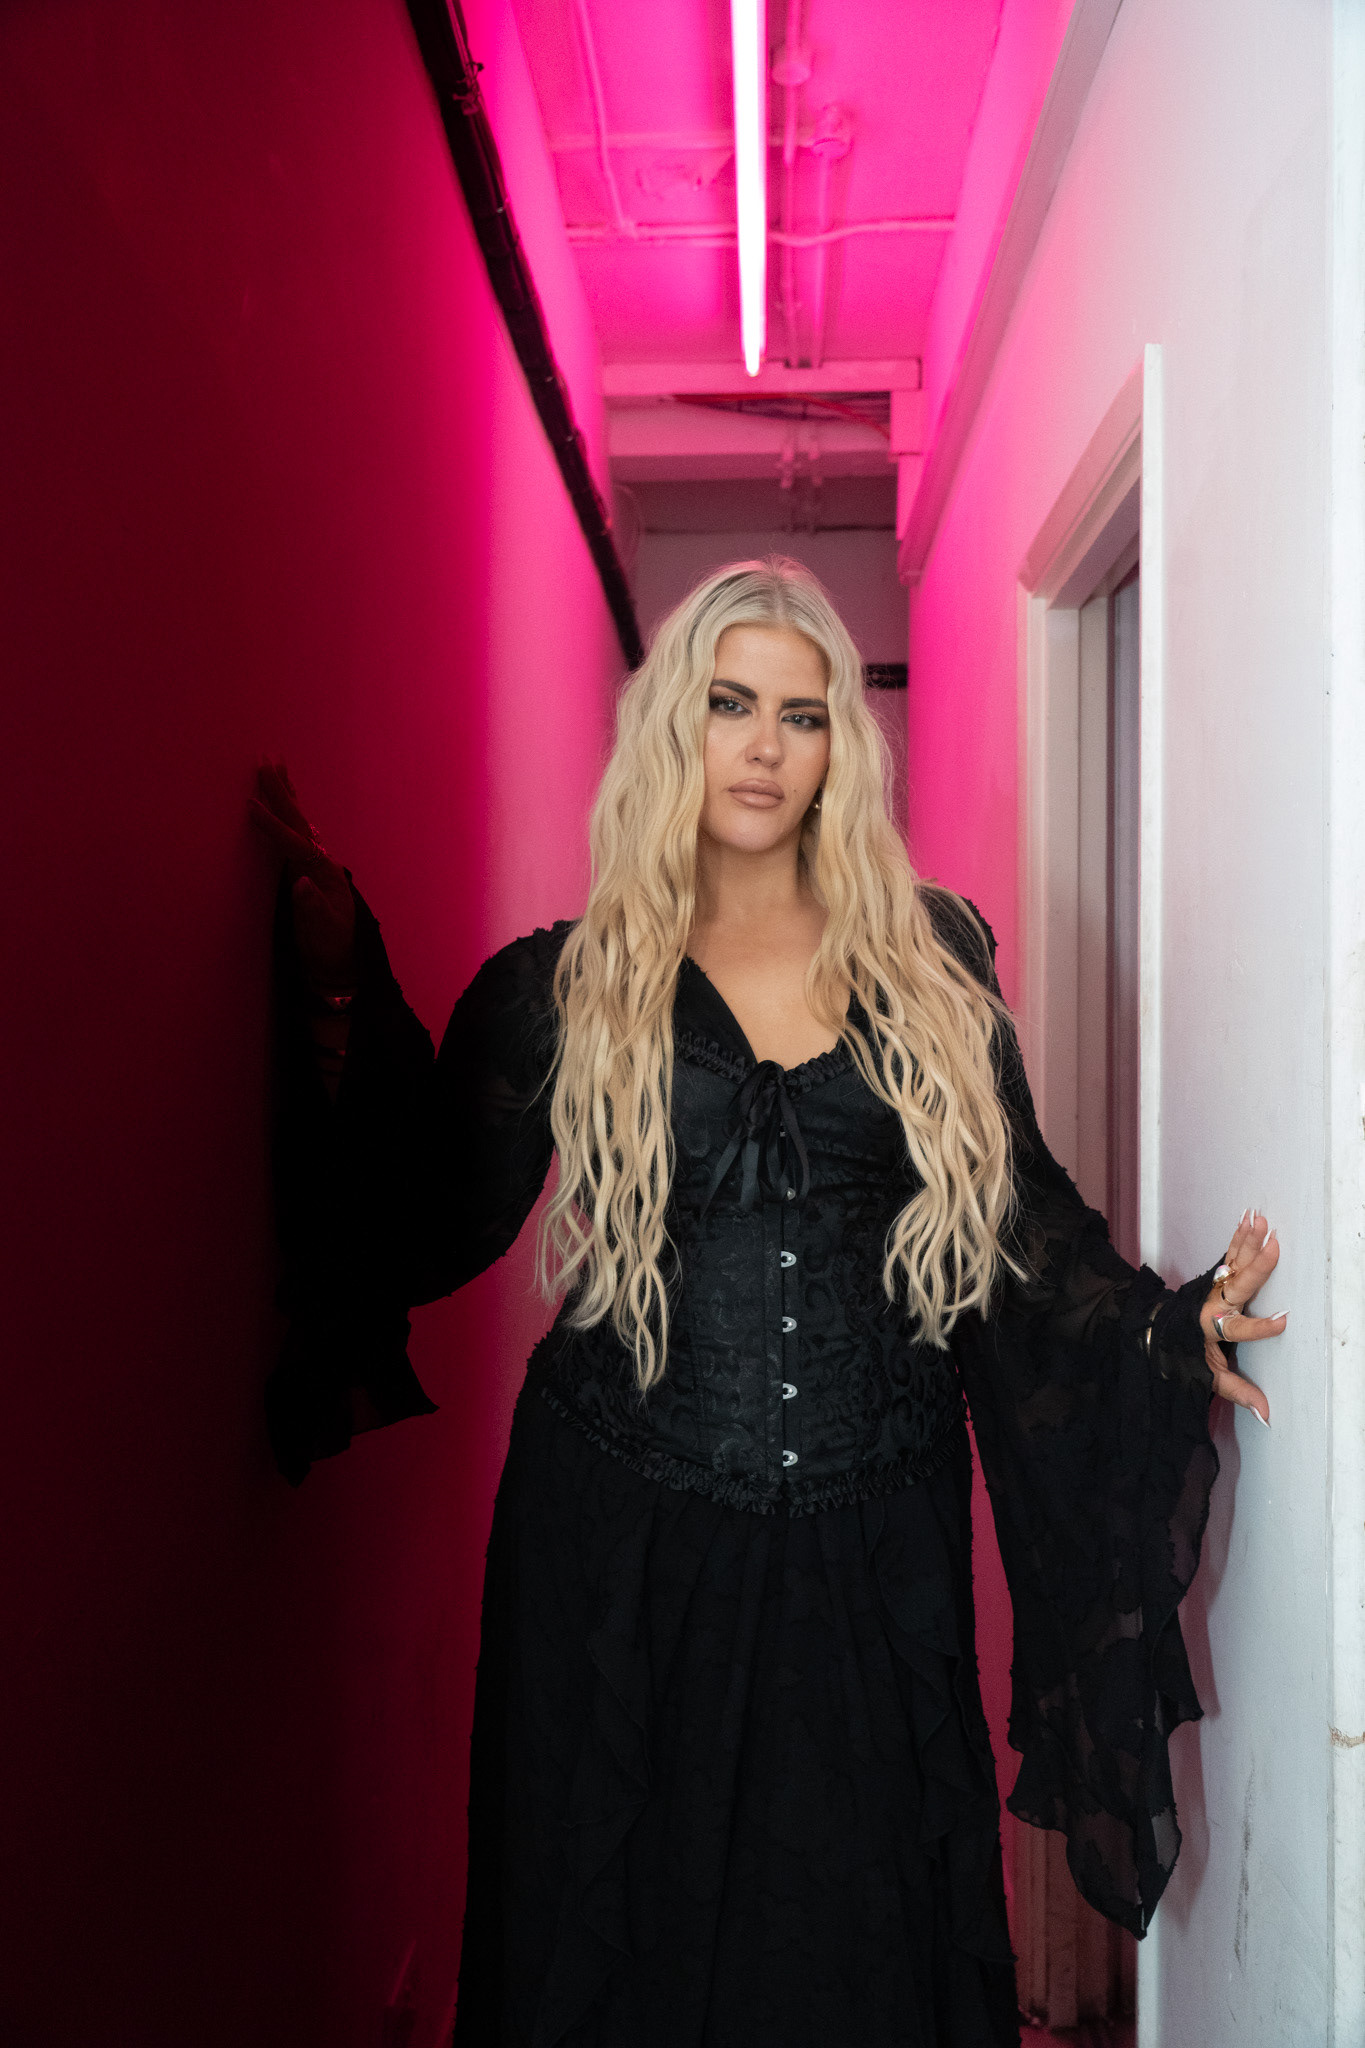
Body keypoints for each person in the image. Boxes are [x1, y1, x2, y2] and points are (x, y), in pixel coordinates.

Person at [251, 558, 1286, 2048]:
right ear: (675, 723)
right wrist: (341, 979)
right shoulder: (573, 985)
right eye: (729, 704)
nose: (762, 747)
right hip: (621, 1538)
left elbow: (1020, 1233)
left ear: (837, 747)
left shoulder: (931, 964)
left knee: (864, 1931)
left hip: (873, 1543)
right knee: (624, 1930)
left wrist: (1165, 1333)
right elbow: (424, 1208)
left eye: (801, 716)